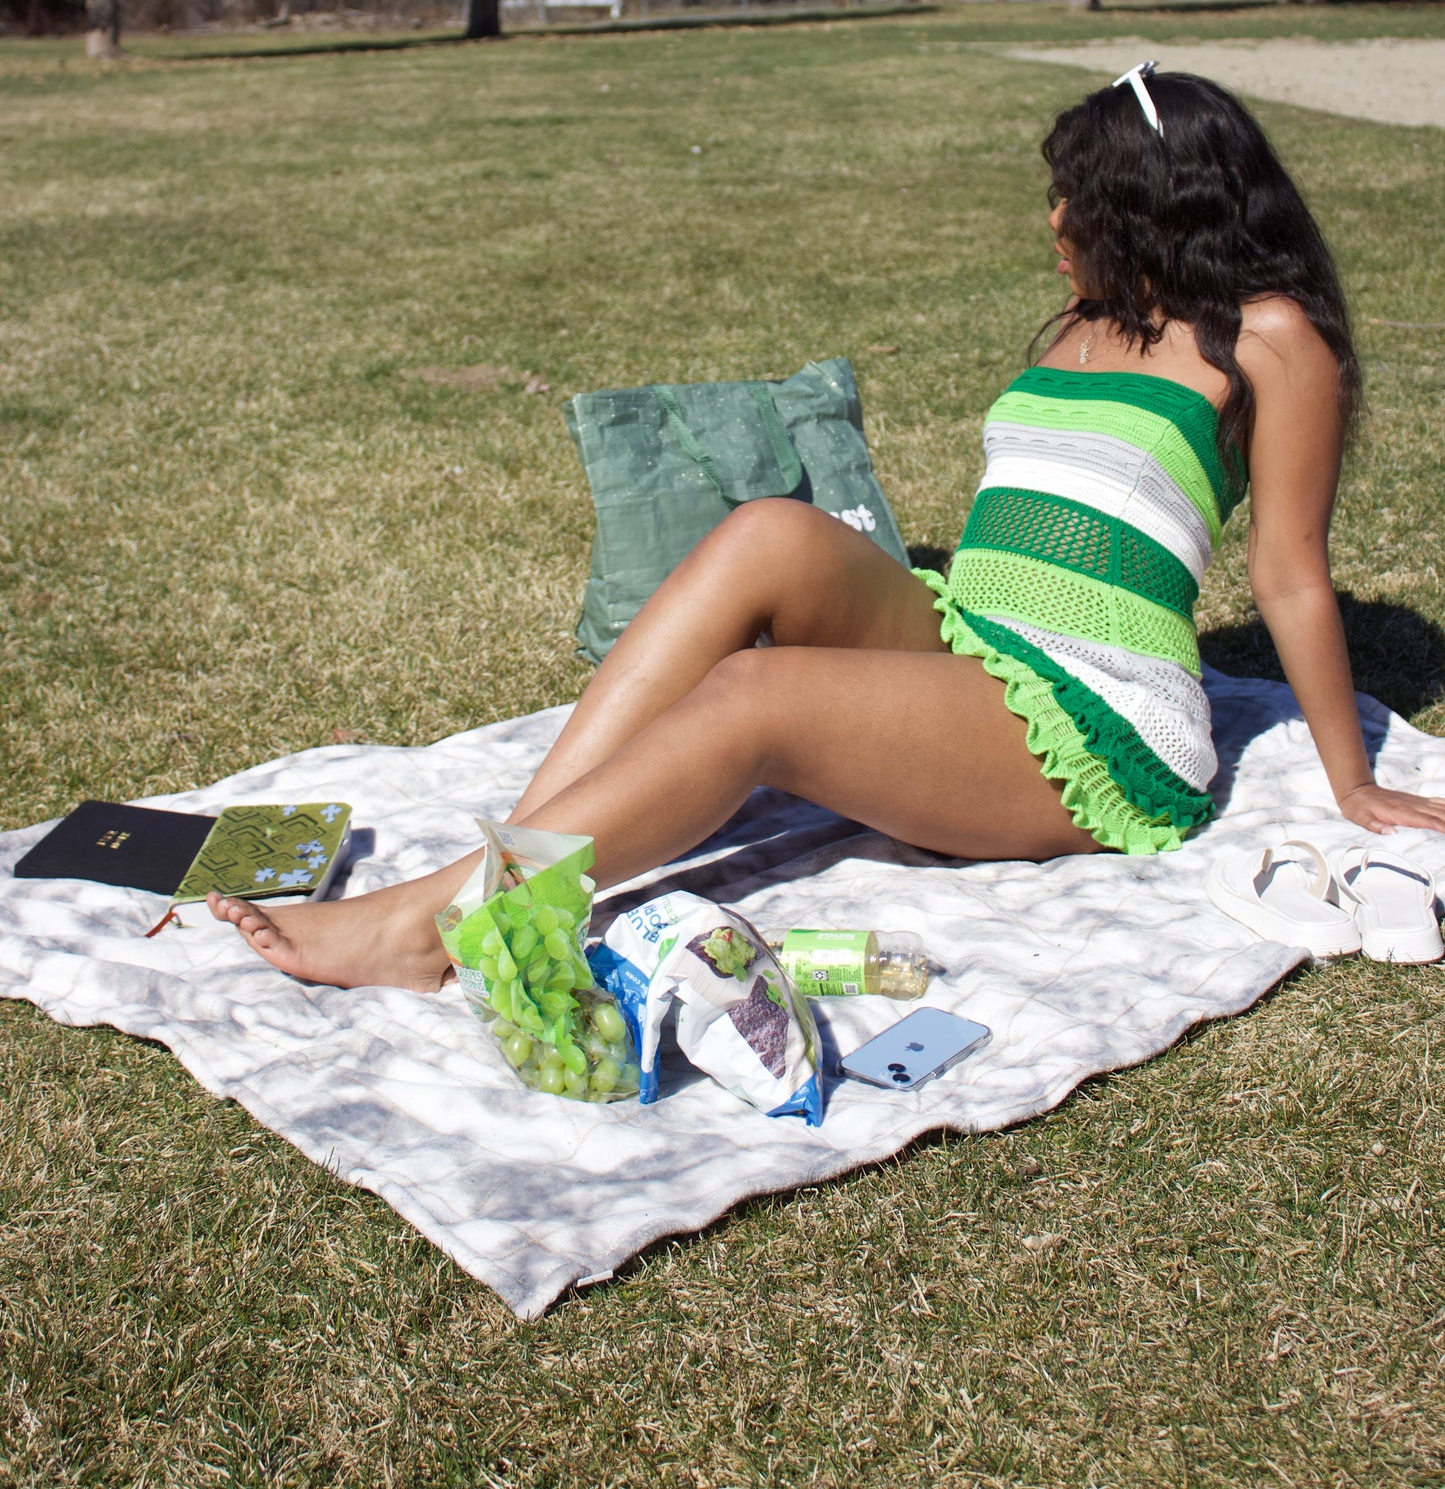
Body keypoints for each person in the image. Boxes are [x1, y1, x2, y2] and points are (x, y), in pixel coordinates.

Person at [209, 63, 1445, 991]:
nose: (1051, 221)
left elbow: (1286, 572)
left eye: (1070, 199)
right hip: (978, 641)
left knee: (754, 699)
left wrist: (1351, 779)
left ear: (1146, 204)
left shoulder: (1268, 337)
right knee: (764, 533)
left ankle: (441, 923)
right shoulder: (1086, 321)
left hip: (1096, 717)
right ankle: (518, 856)